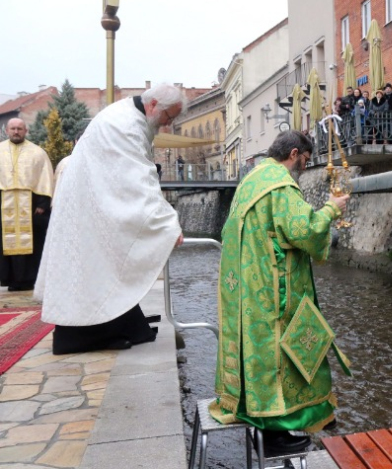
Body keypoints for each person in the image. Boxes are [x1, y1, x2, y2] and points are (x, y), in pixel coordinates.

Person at [209, 130, 351, 455]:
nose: (305, 165)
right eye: (305, 159)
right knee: (281, 357)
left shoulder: (253, 180)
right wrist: (331, 209)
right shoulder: (282, 185)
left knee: (256, 357)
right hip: (274, 289)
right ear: (294, 153)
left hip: (246, 288)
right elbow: (305, 231)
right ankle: (275, 433)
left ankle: (255, 416)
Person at [35, 83, 186, 354]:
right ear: (154, 106)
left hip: (92, 201)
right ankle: (85, 336)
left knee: (106, 265)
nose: (167, 124)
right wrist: (167, 224)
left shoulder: (133, 118)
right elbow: (139, 178)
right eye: (168, 117)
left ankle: (123, 325)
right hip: (90, 205)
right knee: (96, 267)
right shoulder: (126, 125)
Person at [0, 118, 54, 291]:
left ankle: (29, 279)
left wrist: (43, 204)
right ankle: (8, 278)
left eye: (20, 129)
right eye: (13, 128)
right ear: (7, 130)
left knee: (32, 243)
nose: (16, 132)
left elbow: (45, 178)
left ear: (26, 130)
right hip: (3, 203)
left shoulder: (37, 153)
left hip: (30, 204)